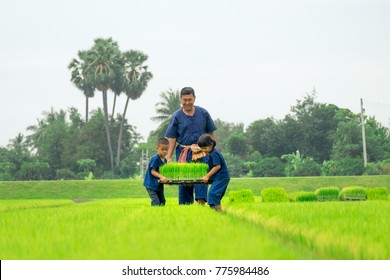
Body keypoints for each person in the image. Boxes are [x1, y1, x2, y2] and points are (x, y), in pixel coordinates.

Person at [165, 86, 217, 205]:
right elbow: (172, 137)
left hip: (202, 152)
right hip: (184, 152)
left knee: (202, 179)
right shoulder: (176, 116)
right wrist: (169, 156)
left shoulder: (203, 113)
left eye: (190, 99)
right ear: (180, 100)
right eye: (185, 100)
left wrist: (212, 150)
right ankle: (185, 206)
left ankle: (201, 205)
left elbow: (211, 132)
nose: (187, 102)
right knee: (184, 181)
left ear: (194, 98)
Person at [197, 134, 230, 212]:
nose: (203, 150)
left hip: (221, 177)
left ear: (211, 145)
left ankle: (219, 213)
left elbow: (217, 166)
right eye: (202, 148)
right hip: (218, 178)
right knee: (214, 195)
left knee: (212, 193)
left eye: (205, 148)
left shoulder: (214, 154)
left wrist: (207, 176)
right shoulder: (210, 153)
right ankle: (214, 212)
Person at [143, 138, 170, 206]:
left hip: (159, 185)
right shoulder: (155, 158)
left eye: (166, 150)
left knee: (162, 201)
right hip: (151, 185)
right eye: (162, 149)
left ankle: (161, 214)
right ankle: (153, 214)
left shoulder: (165, 160)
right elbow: (153, 171)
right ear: (157, 148)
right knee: (156, 201)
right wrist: (162, 177)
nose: (164, 151)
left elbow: (163, 173)